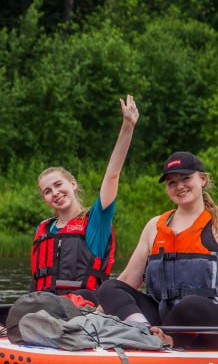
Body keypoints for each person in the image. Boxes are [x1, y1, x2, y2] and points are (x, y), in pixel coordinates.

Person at [97, 151, 218, 350]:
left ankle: (168, 341)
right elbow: (128, 280)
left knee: (191, 304)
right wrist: (98, 311)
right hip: (163, 322)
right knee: (108, 288)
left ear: (202, 179)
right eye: (172, 182)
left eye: (185, 178)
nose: (179, 186)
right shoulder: (154, 226)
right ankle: (145, 333)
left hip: (215, 327)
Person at [30, 95, 139, 303]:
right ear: (45, 199)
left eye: (58, 184)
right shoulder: (44, 229)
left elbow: (112, 175)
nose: (55, 192)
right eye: (47, 191)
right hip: (44, 303)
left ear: (73, 184)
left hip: (83, 304)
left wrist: (127, 126)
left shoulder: (95, 222)